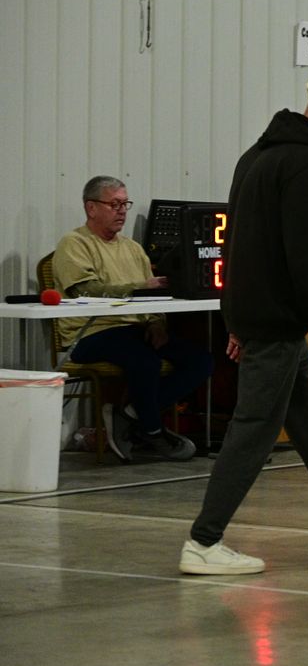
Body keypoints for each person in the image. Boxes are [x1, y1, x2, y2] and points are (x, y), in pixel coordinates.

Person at [180, 68, 308, 575]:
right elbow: (306, 255)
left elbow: (238, 247)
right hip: (277, 321)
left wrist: (235, 317)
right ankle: (203, 542)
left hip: (267, 318)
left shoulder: (257, 156)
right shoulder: (307, 166)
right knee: (254, 429)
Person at [53, 176, 211, 462]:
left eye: (125, 204)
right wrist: (138, 288)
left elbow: (153, 297)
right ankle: (152, 431)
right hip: (91, 332)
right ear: (91, 208)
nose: (122, 211)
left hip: (135, 328)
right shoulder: (74, 243)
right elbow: (85, 290)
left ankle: (131, 415)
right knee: (144, 360)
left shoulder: (133, 248)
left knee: (201, 360)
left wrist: (157, 323)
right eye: (114, 204)